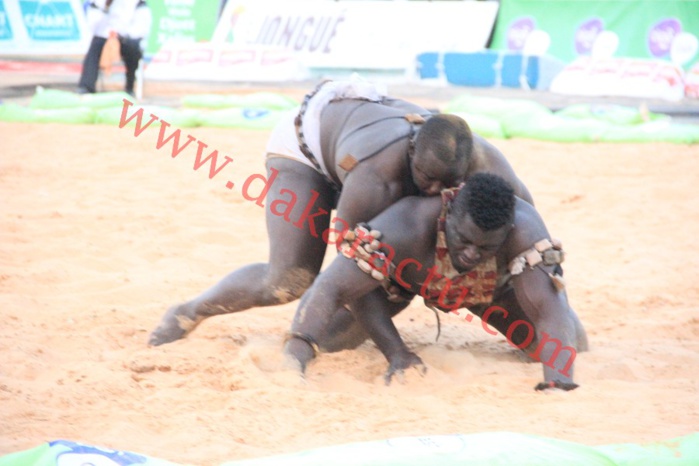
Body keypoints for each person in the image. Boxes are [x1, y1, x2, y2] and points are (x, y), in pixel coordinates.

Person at [148, 79, 534, 346]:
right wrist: (395, 340)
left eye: (446, 184)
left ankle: (322, 338)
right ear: (413, 152)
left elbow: (529, 228)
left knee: (392, 287)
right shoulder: (376, 178)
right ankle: (189, 310)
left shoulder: (487, 166)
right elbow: (346, 267)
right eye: (426, 179)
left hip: (356, 130)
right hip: (308, 147)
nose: (434, 191)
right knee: (289, 279)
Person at [283, 173, 588, 391]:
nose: (470, 254)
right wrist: (396, 353)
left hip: (491, 292)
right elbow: (331, 287)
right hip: (404, 284)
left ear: (507, 231)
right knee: (330, 338)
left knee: (567, 345)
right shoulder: (405, 225)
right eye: (464, 240)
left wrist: (557, 385)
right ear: (450, 212)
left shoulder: (525, 231)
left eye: (484, 248)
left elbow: (549, 309)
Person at [78, 0, 152, 96]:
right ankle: (86, 87)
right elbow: (92, 25)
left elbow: (141, 27)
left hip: (126, 37)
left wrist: (120, 35)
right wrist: (106, 7)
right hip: (105, 36)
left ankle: (129, 87)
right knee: (95, 46)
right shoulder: (98, 3)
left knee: (133, 49)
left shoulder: (137, 3)